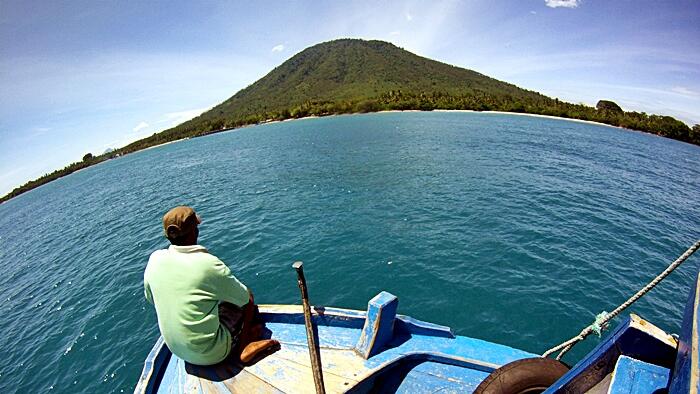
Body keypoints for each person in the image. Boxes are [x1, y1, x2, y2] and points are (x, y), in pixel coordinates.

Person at [144, 206, 279, 366]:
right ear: (195, 231)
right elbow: (243, 298)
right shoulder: (207, 264)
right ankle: (244, 346)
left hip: (179, 351)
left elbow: (151, 298)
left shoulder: (155, 259)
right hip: (213, 353)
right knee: (247, 297)